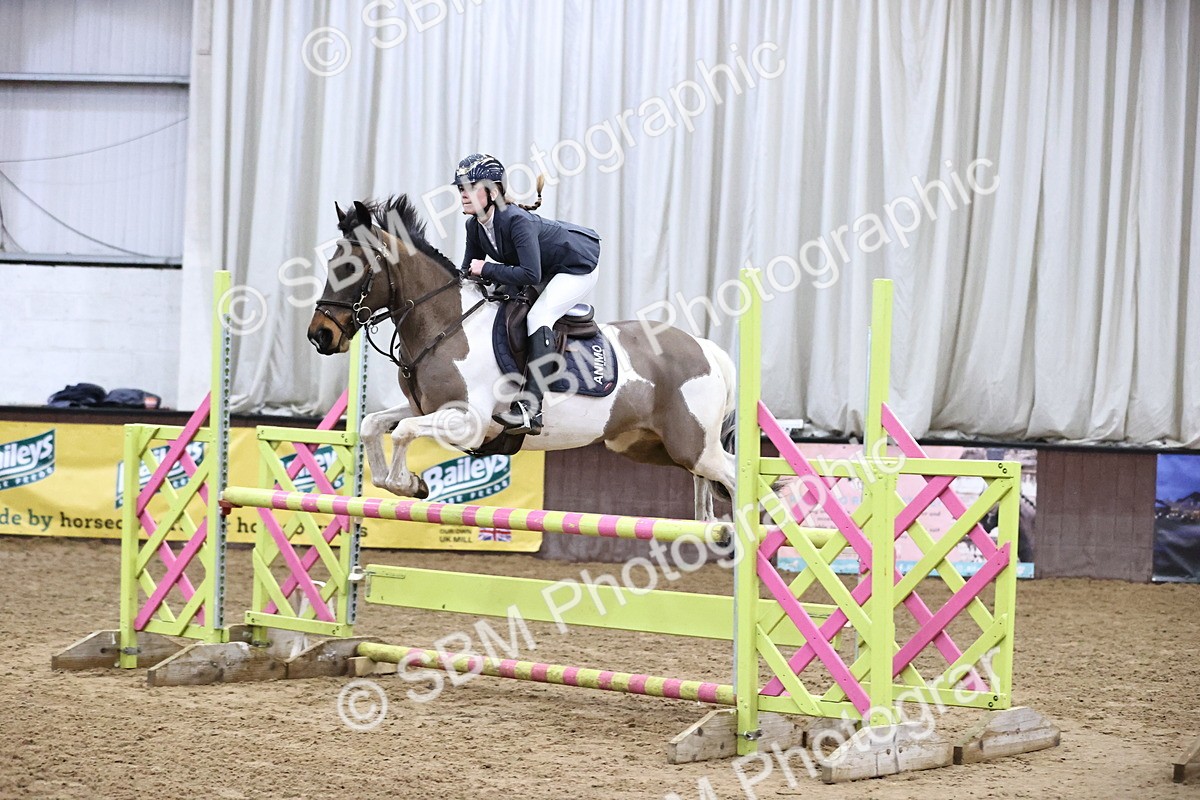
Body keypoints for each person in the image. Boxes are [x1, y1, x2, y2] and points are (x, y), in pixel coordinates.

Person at [455, 153, 601, 435]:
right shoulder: (474, 226)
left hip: (575, 267)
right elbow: (468, 273)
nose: (463, 194)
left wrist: (487, 268)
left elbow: (529, 275)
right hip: (542, 268)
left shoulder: (516, 220)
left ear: (493, 191)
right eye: (461, 188)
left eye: (471, 187)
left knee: (539, 316)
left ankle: (530, 409)